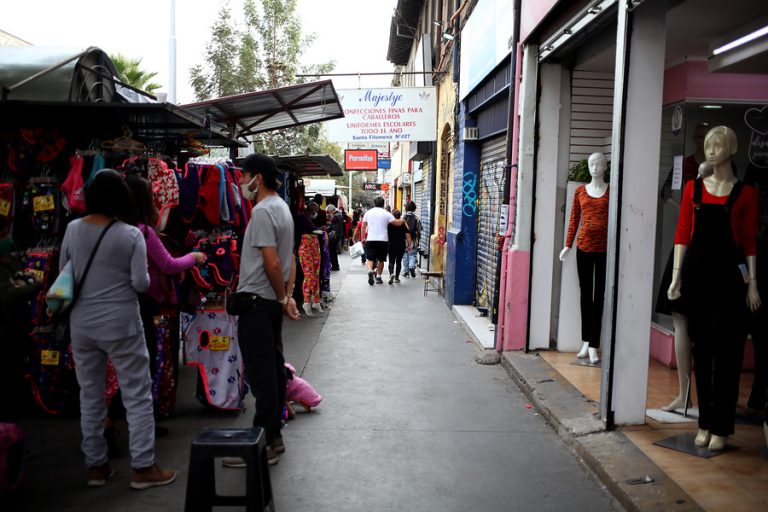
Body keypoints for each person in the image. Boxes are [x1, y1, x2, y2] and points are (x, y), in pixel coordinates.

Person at [61, 169, 175, 489]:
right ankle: (143, 467)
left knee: (91, 395)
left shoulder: (72, 230)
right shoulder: (130, 234)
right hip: (122, 324)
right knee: (137, 396)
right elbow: (141, 282)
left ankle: (96, 467)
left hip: (82, 324)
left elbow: (64, 275)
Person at [668, 126, 760, 451]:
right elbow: (682, 234)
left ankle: (722, 425)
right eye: (708, 144)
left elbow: (748, 241)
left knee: (729, 351)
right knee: (701, 349)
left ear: (731, 149)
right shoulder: (693, 190)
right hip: (697, 274)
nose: (711, 149)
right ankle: (705, 420)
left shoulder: (746, 194)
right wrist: (677, 277)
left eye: (718, 144)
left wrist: (753, 285)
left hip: (730, 280)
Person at [225, 154, 300, 468]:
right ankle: (274, 437)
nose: (242, 182)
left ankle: (259, 446)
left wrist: (284, 297)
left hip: (257, 303)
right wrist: (287, 295)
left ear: (257, 177)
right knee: (273, 371)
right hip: (269, 303)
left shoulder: (262, 212)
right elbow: (290, 259)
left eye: (244, 176)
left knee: (262, 376)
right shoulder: (283, 208)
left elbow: (272, 261)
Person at [124, 174, 206, 418]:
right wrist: (195, 258)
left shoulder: (116, 229)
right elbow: (168, 265)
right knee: (148, 362)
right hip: (149, 302)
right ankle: (148, 418)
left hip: (118, 306)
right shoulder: (143, 232)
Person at [656, 123, 711, 411]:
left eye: (708, 137)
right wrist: (682, 208)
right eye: (700, 136)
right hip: (685, 250)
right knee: (681, 324)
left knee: (702, 330)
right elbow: (665, 191)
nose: (704, 142)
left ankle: (704, 399)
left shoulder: (723, 178)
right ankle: (683, 394)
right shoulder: (687, 167)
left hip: (707, 256)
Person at [560, 153, 609, 365]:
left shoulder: (611, 191)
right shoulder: (580, 191)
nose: (595, 167)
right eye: (592, 164)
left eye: (599, 163)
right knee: (585, 296)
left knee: (599, 297)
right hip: (583, 248)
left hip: (605, 250)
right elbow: (574, 220)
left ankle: (594, 345)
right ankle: (585, 341)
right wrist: (567, 245)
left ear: (605, 166)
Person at [362, 197, 395, 285]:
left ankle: (370, 271)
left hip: (371, 239)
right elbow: (395, 223)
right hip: (383, 240)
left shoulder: (368, 213)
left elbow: (363, 226)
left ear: (374, 203)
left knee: (370, 258)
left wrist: (363, 238)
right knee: (381, 259)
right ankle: (378, 277)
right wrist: (403, 221)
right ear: (383, 204)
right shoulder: (387, 213)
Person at [387, 210, 409, 284]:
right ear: (400, 216)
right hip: (401, 245)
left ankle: (391, 274)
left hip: (391, 244)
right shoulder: (403, 224)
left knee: (391, 260)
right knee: (398, 261)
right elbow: (408, 234)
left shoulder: (389, 224)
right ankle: (396, 278)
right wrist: (410, 244)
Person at [402, 201, 421, 278]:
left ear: (406, 208)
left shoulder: (403, 218)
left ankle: (406, 271)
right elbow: (419, 231)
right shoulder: (417, 219)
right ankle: (411, 266)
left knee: (405, 255)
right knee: (413, 254)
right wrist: (418, 241)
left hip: (404, 240)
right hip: (413, 239)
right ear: (414, 208)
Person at [326, 204, 343, 271]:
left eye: (328, 211)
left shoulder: (336, 216)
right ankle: (335, 265)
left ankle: (335, 266)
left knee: (332, 251)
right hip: (338, 235)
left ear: (331, 210)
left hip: (334, 235)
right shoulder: (339, 215)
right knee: (333, 251)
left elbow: (331, 224)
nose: (328, 213)